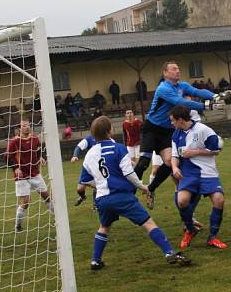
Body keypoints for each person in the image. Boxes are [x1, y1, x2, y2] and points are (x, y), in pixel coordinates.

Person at [79, 116, 191, 270]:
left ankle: (95, 260)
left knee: (104, 227)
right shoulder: (119, 148)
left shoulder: (89, 154)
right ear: (109, 131)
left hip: (102, 199)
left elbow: (85, 181)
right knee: (148, 223)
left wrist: (100, 183)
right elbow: (129, 173)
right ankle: (169, 252)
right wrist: (142, 187)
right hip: (122, 196)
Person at [134, 61, 218, 209]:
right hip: (152, 128)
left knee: (169, 162)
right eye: (174, 69)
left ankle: (151, 189)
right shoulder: (163, 88)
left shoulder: (182, 85)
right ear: (165, 73)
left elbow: (197, 92)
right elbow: (179, 102)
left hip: (167, 130)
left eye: (178, 68)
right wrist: (205, 106)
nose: (178, 71)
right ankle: (128, 193)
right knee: (144, 162)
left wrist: (216, 96)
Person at [169, 105, 227, 250]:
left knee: (219, 200)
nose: (172, 123)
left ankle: (212, 237)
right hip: (188, 172)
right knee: (181, 200)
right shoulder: (176, 135)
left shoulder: (202, 130)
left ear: (180, 120)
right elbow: (175, 156)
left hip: (208, 171)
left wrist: (196, 152)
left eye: (173, 120)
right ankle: (190, 229)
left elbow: (216, 150)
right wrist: (175, 167)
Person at [5, 119, 54, 233]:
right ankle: (18, 226)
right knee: (26, 202)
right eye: (24, 125)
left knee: (47, 197)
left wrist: (40, 158)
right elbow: (7, 157)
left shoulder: (35, 138)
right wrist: (15, 168)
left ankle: (58, 218)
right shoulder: (14, 141)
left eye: (28, 125)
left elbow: (37, 151)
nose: (26, 127)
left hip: (35, 173)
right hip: (21, 176)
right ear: (19, 128)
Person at [70, 133, 98, 205]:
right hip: (88, 168)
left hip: (99, 167)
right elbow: (79, 147)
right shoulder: (89, 139)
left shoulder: (106, 139)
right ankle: (83, 197)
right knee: (80, 189)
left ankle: (95, 204)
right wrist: (75, 156)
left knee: (98, 185)